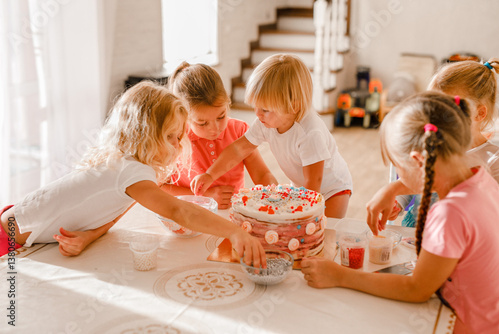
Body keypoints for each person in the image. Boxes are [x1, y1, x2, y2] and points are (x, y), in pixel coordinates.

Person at [0, 81, 266, 267]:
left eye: (178, 136)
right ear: (147, 136)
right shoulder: (131, 170)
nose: (178, 145)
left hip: (15, 222)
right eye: (171, 137)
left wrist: (90, 236)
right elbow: (179, 212)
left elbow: (120, 206)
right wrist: (234, 232)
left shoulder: (129, 168)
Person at [302, 92, 499, 333]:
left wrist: (340, 276)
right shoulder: (482, 178)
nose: (398, 176)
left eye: (397, 167)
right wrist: (394, 187)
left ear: (418, 161)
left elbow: (416, 290)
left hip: (465, 325)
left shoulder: (450, 214)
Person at [190, 54, 353, 218]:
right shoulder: (265, 122)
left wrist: (302, 214)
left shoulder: (310, 134)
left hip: (333, 190)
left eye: (265, 109)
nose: (257, 114)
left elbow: (314, 181)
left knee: (324, 232)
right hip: (302, 186)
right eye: (256, 106)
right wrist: (211, 174)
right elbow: (238, 149)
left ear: (293, 106)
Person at [382, 58, 499, 227]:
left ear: (480, 114)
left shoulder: (494, 161)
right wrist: (398, 202)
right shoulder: (429, 143)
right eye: (432, 105)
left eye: (447, 109)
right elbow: (413, 182)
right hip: (415, 232)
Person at [161, 62, 277, 209]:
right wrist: (204, 197)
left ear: (228, 103)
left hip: (233, 213)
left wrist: (276, 194)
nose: (214, 129)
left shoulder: (239, 131)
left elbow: (261, 175)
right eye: (202, 123)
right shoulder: (176, 139)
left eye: (221, 116)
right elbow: (160, 187)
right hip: (192, 214)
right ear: (183, 116)